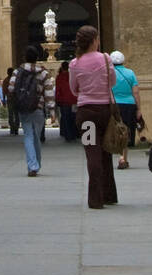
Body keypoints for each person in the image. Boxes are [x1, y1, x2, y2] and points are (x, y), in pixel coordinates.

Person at [68, 25, 117, 209]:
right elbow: (112, 82)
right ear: (94, 40)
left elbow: (74, 89)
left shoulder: (74, 63)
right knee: (106, 152)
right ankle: (109, 194)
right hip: (105, 111)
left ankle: (95, 198)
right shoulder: (106, 58)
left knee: (92, 152)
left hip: (86, 113)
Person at [8, 45, 53, 175]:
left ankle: (32, 165)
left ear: (24, 57)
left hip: (24, 108)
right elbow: (49, 92)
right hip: (38, 108)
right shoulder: (43, 73)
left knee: (28, 135)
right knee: (36, 137)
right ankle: (36, 164)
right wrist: (52, 110)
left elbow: (11, 89)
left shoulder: (18, 72)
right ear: (37, 58)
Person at [110, 50, 142, 169]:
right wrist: (139, 109)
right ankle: (123, 157)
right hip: (129, 105)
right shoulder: (130, 73)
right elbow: (136, 92)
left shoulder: (109, 74)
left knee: (114, 130)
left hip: (114, 105)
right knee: (126, 131)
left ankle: (116, 155)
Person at [54, 60, 77, 141]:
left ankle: (68, 135)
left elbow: (58, 90)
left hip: (64, 101)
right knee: (74, 117)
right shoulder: (73, 76)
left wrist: (57, 99)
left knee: (66, 118)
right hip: (74, 100)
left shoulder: (59, 77)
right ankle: (74, 134)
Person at [3, 66, 19, 135]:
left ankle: (13, 128)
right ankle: (15, 128)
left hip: (10, 99)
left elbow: (4, 91)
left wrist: (4, 99)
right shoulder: (16, 79)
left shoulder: (6, 80)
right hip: (15, 99)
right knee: (16, 114)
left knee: (11, 114)